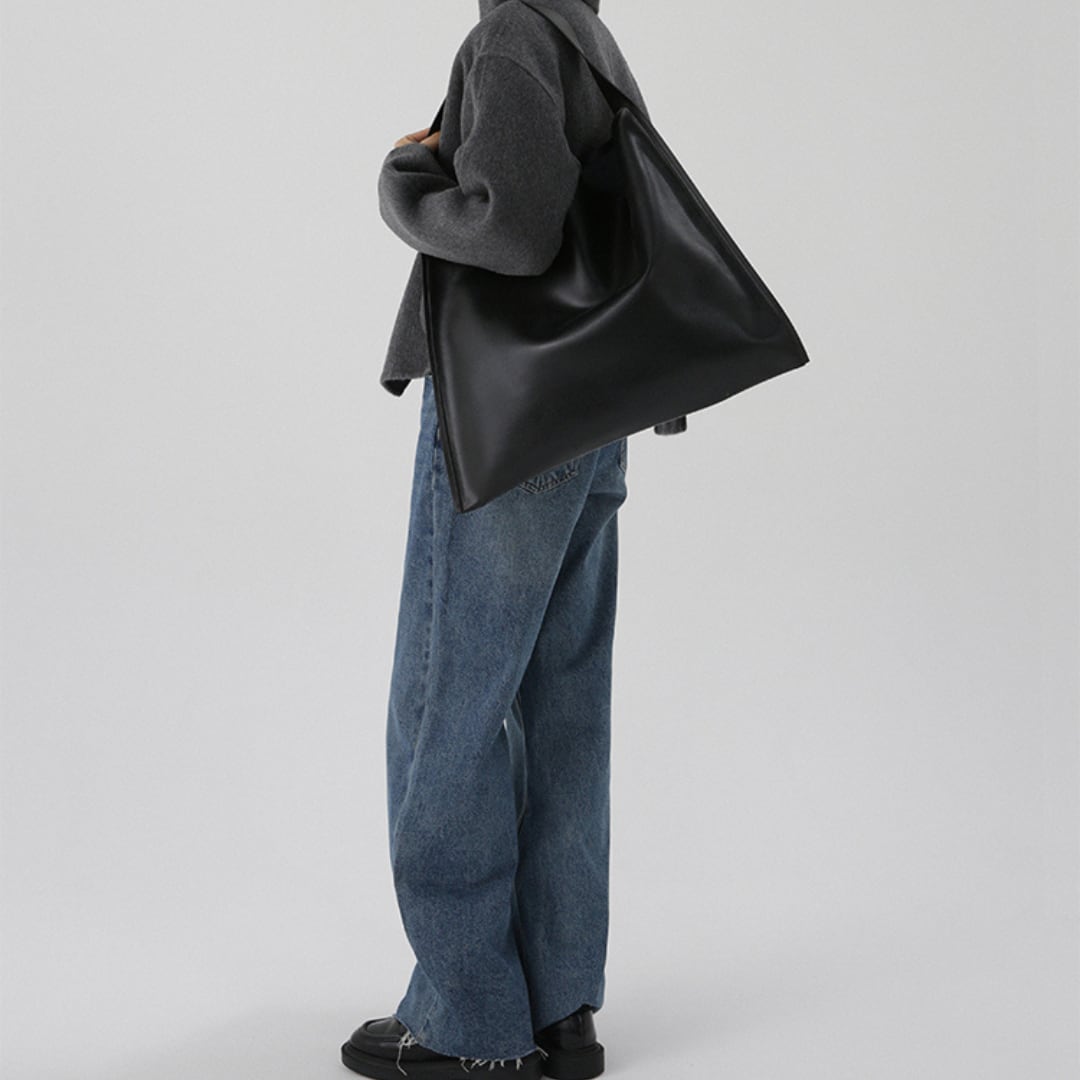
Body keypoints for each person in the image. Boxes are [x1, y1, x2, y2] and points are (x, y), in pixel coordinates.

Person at [342, 2, 685, 1078]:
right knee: (562, 704)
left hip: (508, 422)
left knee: (445, 707)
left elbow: (511, 232)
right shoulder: (583, 31)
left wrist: (406, 180)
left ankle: (468, 1023)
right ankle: (558, 1006)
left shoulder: (508, 39)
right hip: (589, 417)